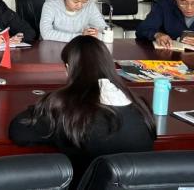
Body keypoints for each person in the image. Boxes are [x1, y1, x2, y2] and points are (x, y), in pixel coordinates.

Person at [8, 35, 155, 185]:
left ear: (68, 68)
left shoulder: (66, 107)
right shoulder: (140, 107)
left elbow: (18, 131)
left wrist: (41, 109)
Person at [40, 0, 107, 42]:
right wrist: (81, 36)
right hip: (53, 47)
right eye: (76, 1)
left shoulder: (90, 5)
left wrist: (97, 34)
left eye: (84, 2)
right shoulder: (51, 5)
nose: (80, 6)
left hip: (80, 47)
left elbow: (104, 28)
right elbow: (46, 33)